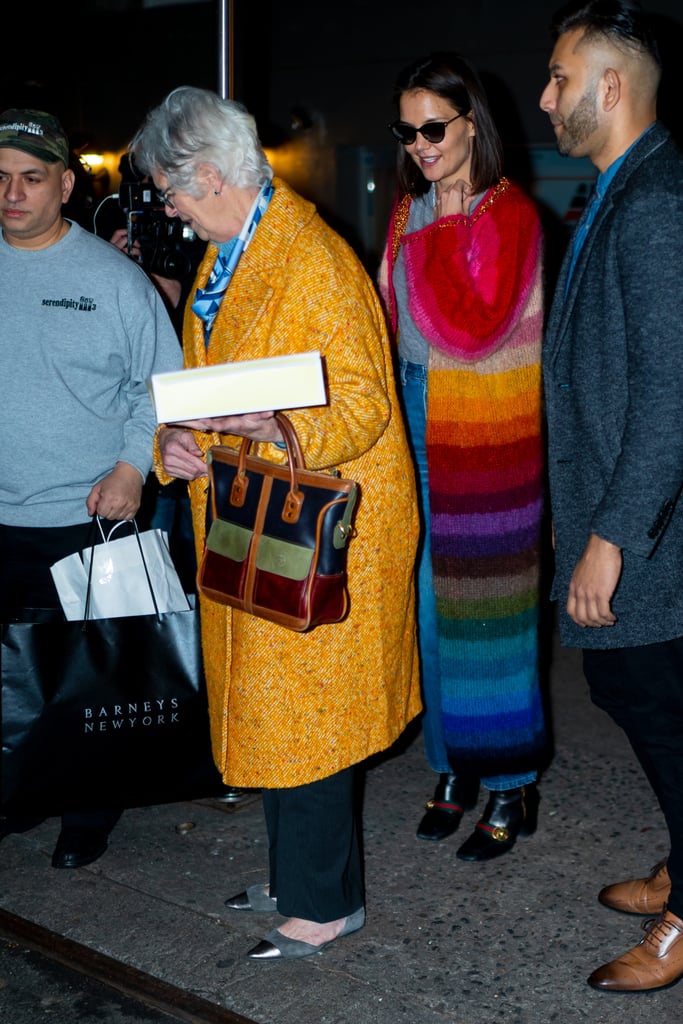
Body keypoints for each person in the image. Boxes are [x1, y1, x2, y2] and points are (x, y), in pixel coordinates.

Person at [127, 85, 421, 961]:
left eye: (169, 192)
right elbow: (205, 391)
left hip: (325, 523)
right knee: (274, 709)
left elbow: (364, 399)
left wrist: (286, 429)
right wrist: (169, 449)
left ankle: (326, 903)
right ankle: (299, 878)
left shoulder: (310, 257)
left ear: (210, 176)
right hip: (257, 514)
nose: (166, 208)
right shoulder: (228, 257)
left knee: (314, 716)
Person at [540, 0, 683, 992]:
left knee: (653, 703)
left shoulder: (654, 202)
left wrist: (611, 537)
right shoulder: (618, 191)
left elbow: (670, 392)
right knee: (631, 693)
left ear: (609, 85)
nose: (542, 97)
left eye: (556, 79)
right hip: (634, 522)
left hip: (650, 536)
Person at [0, 108, 182, 867]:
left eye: (31, 179)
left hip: (87, 514)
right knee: (8, 680)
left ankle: (86, 815)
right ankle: (15, 794)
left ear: (66, 185)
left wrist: (132, 467)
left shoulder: (113, 280)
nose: (13, 194)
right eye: (1, 179)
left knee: (87, 681)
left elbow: (163, 388)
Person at [378, 52, 547, 861]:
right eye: (407, 131)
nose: (419, 144)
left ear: (470, 123)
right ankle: (451, 767)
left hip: (483, 432)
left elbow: (471, 327)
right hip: (414, 408)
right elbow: (395, 324)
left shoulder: (506, 213)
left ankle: (511, 780)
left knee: (493, 613)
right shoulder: (410, 211)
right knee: (431, 609)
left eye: (433, 128)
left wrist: (438, 227)